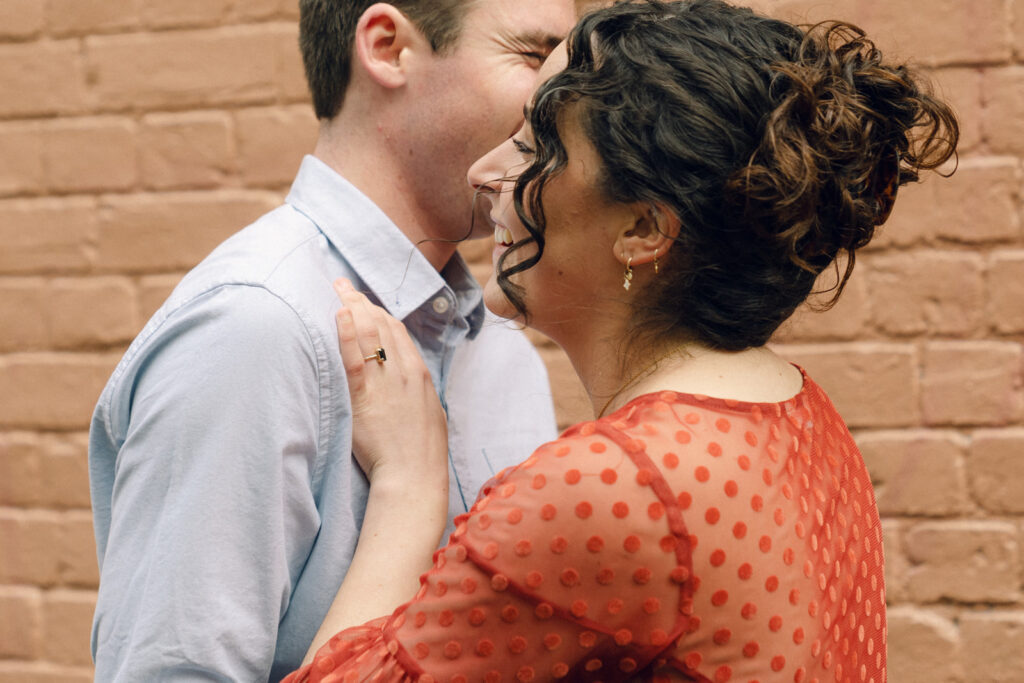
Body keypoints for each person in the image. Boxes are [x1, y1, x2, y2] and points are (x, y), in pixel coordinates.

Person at [283, 1, 959, 681]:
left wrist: (408, 486)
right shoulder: (806, 418)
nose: (484, 173)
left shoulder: (613, 486)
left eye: (533, 147)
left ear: (643, 230)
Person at [87, 0, 577, 679]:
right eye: (534, 57)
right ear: (386, 47)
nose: (567, 100)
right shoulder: (254, 329)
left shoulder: (504, 348)